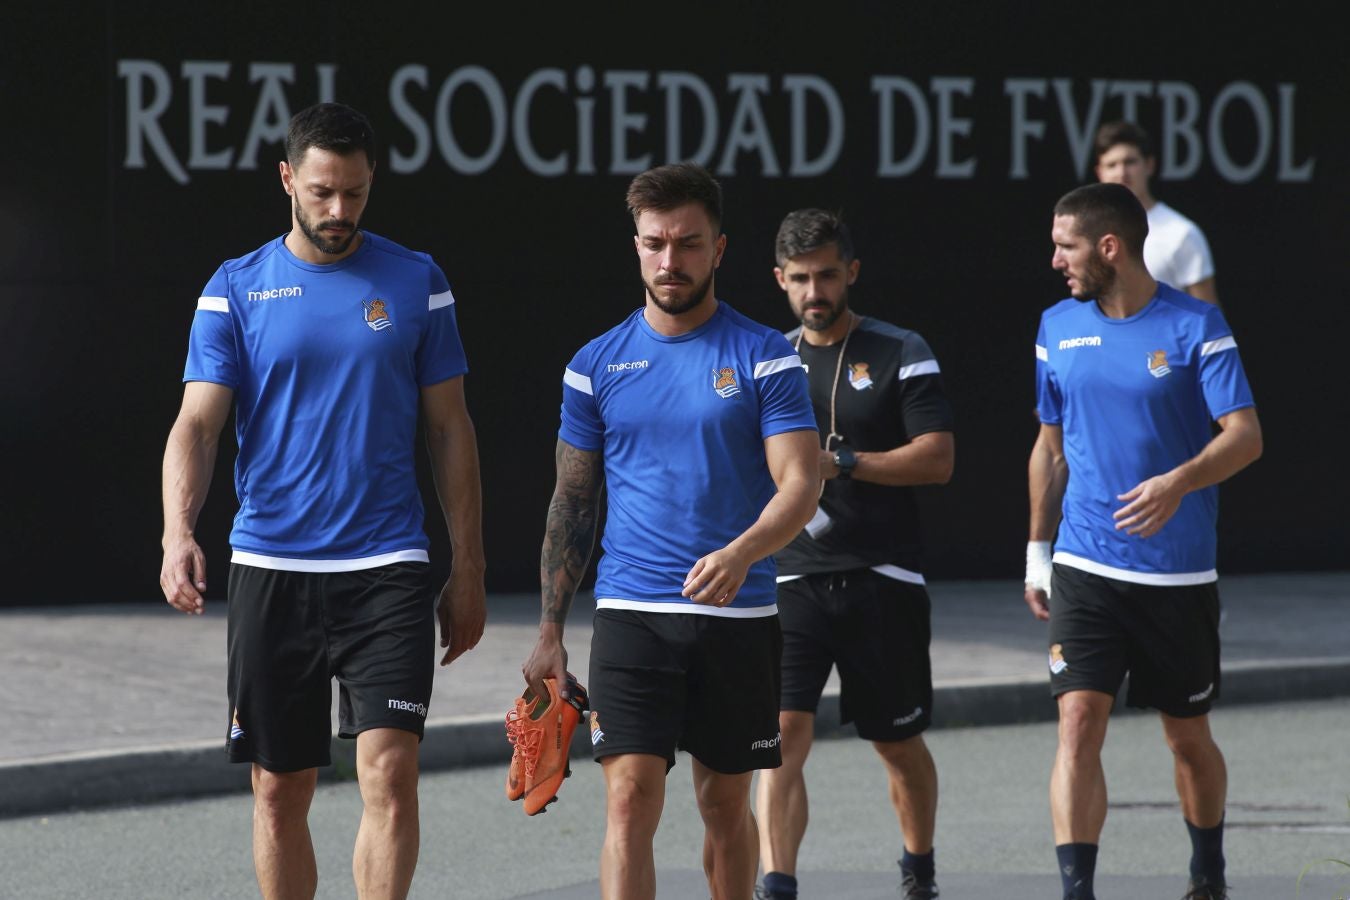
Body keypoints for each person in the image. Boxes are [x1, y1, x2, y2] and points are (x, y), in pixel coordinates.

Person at [158, 101, 486, 900]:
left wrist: (469, 566)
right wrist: (177, 531)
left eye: (356, 193)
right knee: (279, 790)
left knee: (392, 773)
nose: (340, 212)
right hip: (273, 564)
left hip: (389, 567)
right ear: (287, 180)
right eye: (323, 192)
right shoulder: (233, 288)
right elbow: (197, 426)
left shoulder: (417, 280)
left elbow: (450, 430)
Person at [521, 162, 820, 900]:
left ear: (718, 249)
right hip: (633, 615)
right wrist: (551, 631)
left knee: (723, 806)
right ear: (636, 245)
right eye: (654, 242)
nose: (669, 260)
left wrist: (743, 551)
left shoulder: (765, 357)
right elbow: (572, 503)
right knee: (627, 802)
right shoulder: (595, 365)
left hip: (738, 616)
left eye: (688, 244)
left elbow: (802, 482)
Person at [1024, 182, 1262, 900]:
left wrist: (1178, 483)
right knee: (1077, 724)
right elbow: (1048, 446)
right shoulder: (1056, 326)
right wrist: (1039, 550)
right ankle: (1077, 891)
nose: (1055, 259)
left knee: (1186, 737)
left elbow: (1246, 437)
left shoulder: (1199, 326)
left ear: (1109, 247)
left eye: (1065, 245)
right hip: (1085, 563)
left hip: (1177, 575)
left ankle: (1208, 870)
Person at [752, 209, 954, 900]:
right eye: (801, 278)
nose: (816, 290)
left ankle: (918, 869)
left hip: (882, 576)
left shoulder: (902, 349)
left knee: (897, 745)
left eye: (828, 275)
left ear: (851, 273)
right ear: (780, 280)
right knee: (779, 736)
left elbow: (938, 459)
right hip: (793, 579)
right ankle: (777, 885)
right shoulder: (767, 362)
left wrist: (845, 464)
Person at [1094, 119, 1219, 305]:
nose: (1122, 173)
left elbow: (1208, 319)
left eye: (1130, 162)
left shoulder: (1182, 233)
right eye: (1112, 165)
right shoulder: (1089, 232)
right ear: (1100, 173)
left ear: (1149, 165)